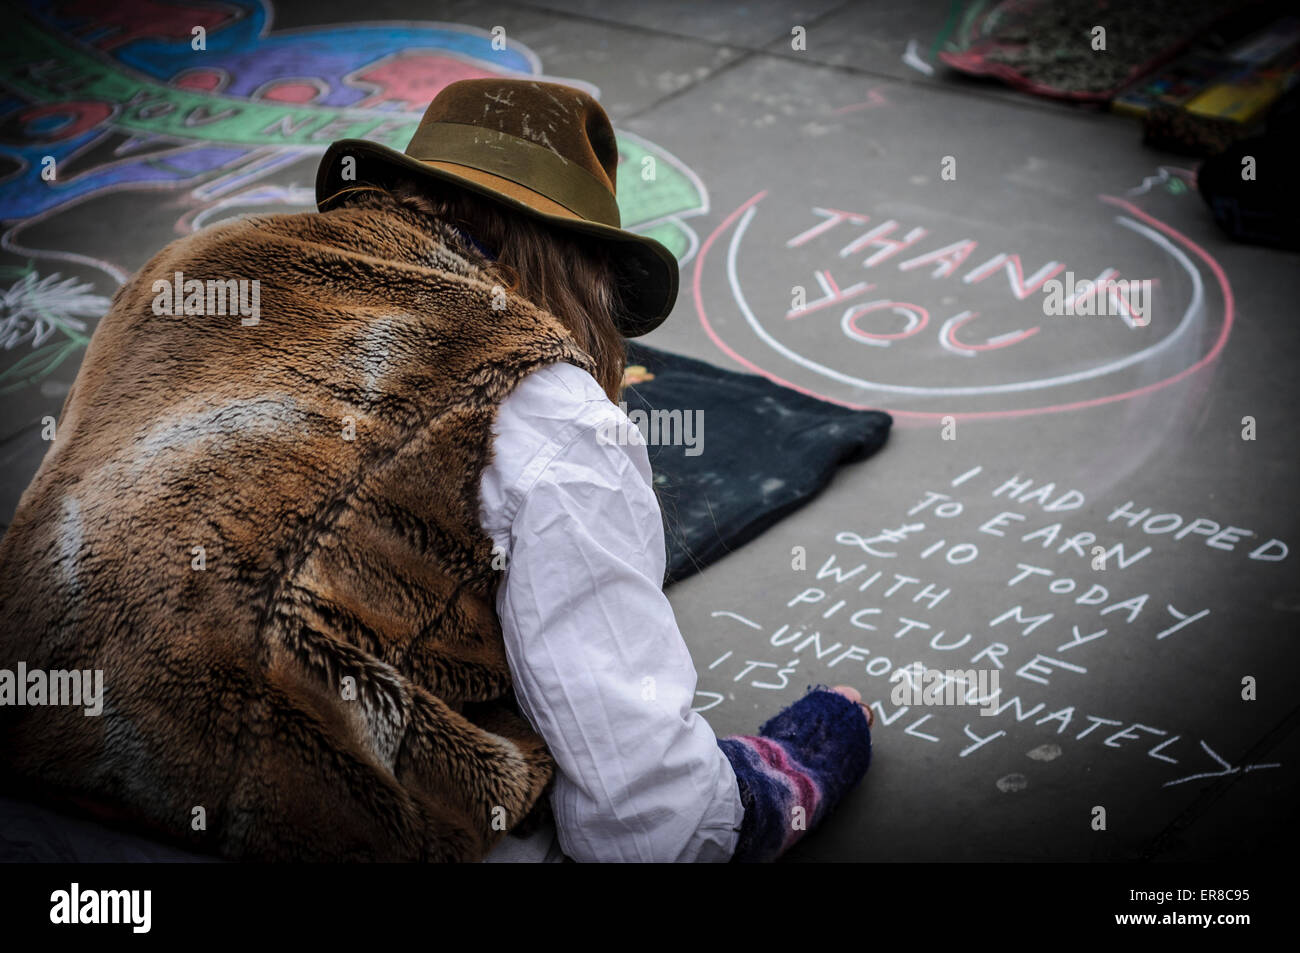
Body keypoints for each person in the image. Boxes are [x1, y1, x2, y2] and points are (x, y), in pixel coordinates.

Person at [0, 79, 872, 862]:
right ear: (581, 265)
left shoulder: (186, 269)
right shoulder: (547, 399)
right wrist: (789, 772)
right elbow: (647, 827)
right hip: (272, 824)